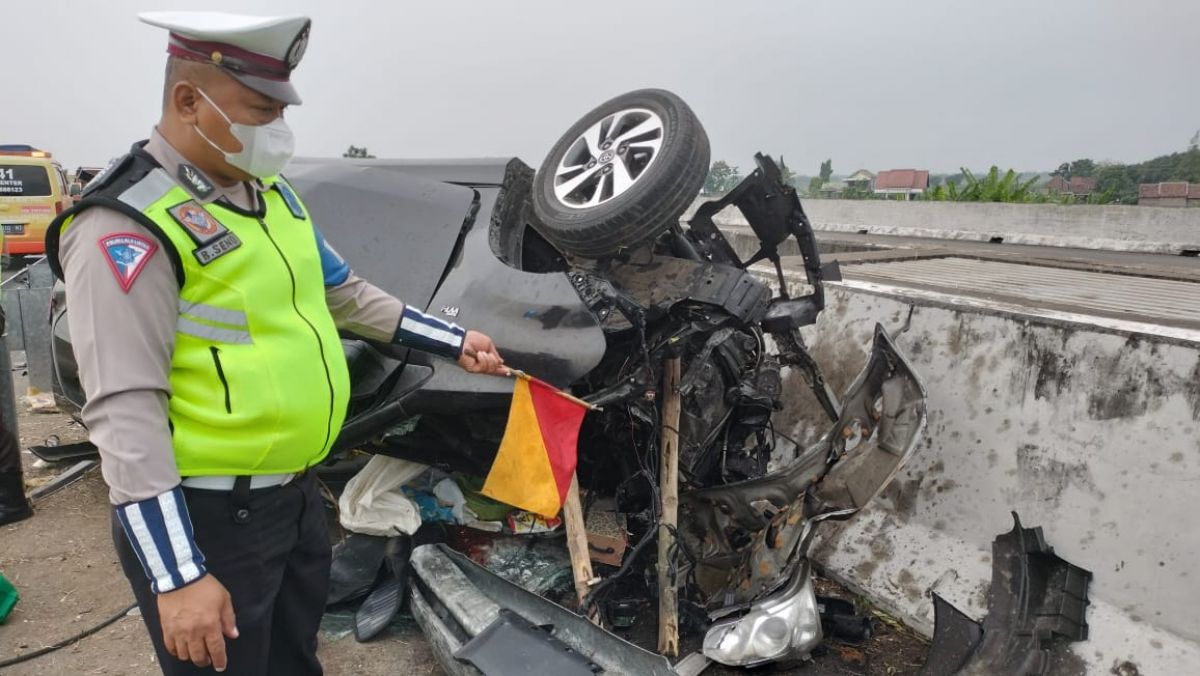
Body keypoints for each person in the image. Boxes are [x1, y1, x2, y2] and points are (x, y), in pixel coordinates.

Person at [45, 11, 506, 675]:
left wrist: (454, 339)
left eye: (281, 110)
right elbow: (124, 410)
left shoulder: (272, 197)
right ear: (189, 101)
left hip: (293, 498)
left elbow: (345, 293)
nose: (278, 128)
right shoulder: (128, 224)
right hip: (209, 517)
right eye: (261, 110)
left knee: (294, 662)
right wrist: (177, 576)